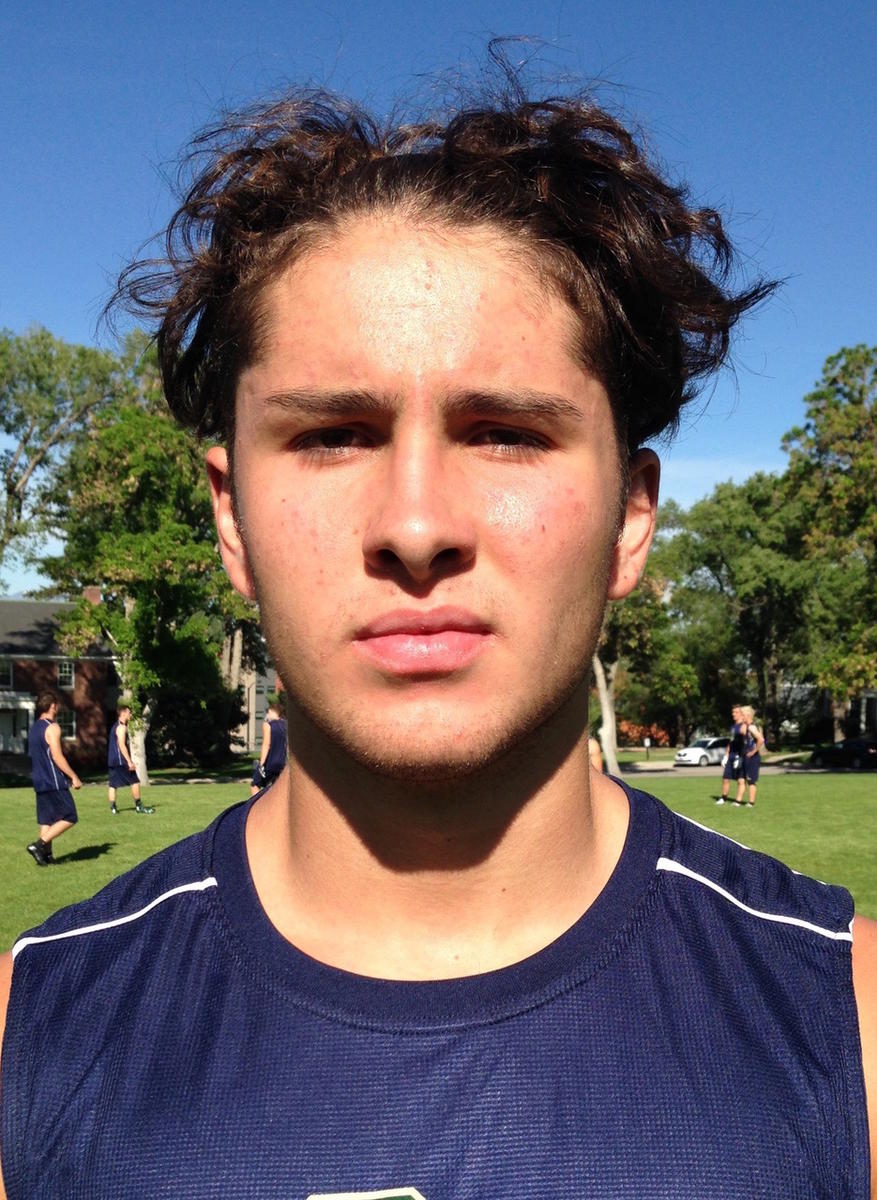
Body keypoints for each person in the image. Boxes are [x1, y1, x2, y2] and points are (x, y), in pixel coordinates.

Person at [0, 78, 874, 1198]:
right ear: (231, 519)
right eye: (334, 434)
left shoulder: (847, 1023)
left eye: (505, 433)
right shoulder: (35, 1034)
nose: (416, 527)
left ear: (630, 519)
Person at [24, 691, 82, 866]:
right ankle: (38, 845)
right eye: (56, 705)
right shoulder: (53, 727)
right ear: (53, 706)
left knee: (47, 820)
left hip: (39, 781)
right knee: (70, 816)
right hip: (53, 781)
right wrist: (74, 776)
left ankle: (46, 856)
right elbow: (57, 756)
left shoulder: (34, 728)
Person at [107, 704, 154, 814]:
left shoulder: (114, 726)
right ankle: (139, 806)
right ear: (123, 713)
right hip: (121, 760)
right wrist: (129, 761)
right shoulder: (121, 727)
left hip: (112, 760)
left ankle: (113, 808)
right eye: (129, 712)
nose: (130, 714)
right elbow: (121, 745)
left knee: (113, 784)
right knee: (135, 781)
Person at [250, 701, 288, 796]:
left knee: (255, 784)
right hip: (282, 763)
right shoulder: (285, 725)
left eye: (268, 712)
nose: (267, 715)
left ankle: (258, 804)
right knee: (276, 788)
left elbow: (266, 744)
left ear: (272, 711)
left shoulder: (268, 725)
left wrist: (261, 764)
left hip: (270, 762)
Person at [736, 703, 766, 807]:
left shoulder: (752, 727)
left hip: (752, 758)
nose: (741, 717)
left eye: (742, 715)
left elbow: (761, 739)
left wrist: (753, 751)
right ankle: (738, 801)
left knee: (750, 780)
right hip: (744, 756)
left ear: (747, 715)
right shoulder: (745, 726)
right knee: (741, 779)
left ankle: (751, 802)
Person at [715, 703, 745, 804]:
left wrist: (741, 756)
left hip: (740, 755)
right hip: (731, 754)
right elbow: (731, 742)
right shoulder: (733, 727)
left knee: (740, 779)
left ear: (741, 713)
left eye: (736, 712)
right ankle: (723, 797)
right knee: (725, 778)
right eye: (733, 712)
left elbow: (745, 742)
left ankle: (738, 801)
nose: (733, 714)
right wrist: (726, 755)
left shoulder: (744, 726)